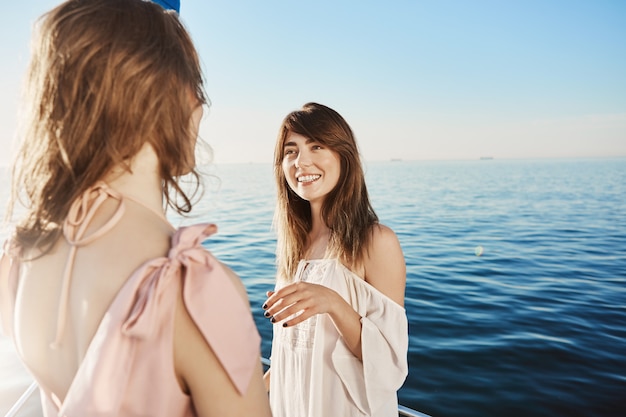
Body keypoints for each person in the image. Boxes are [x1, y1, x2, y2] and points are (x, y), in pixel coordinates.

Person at [0, 0, 272, 416]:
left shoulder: (19, 257)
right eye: (193, 84)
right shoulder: (191, 291)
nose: (201, 107)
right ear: (159, 98)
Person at [262, 102, 409, 416]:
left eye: (316, 146)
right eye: (291, 151)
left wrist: (332, 302)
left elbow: (389, 366)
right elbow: (295, 354)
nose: (302, 161)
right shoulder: (294, 248)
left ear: (344, 156)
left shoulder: (376, 241)